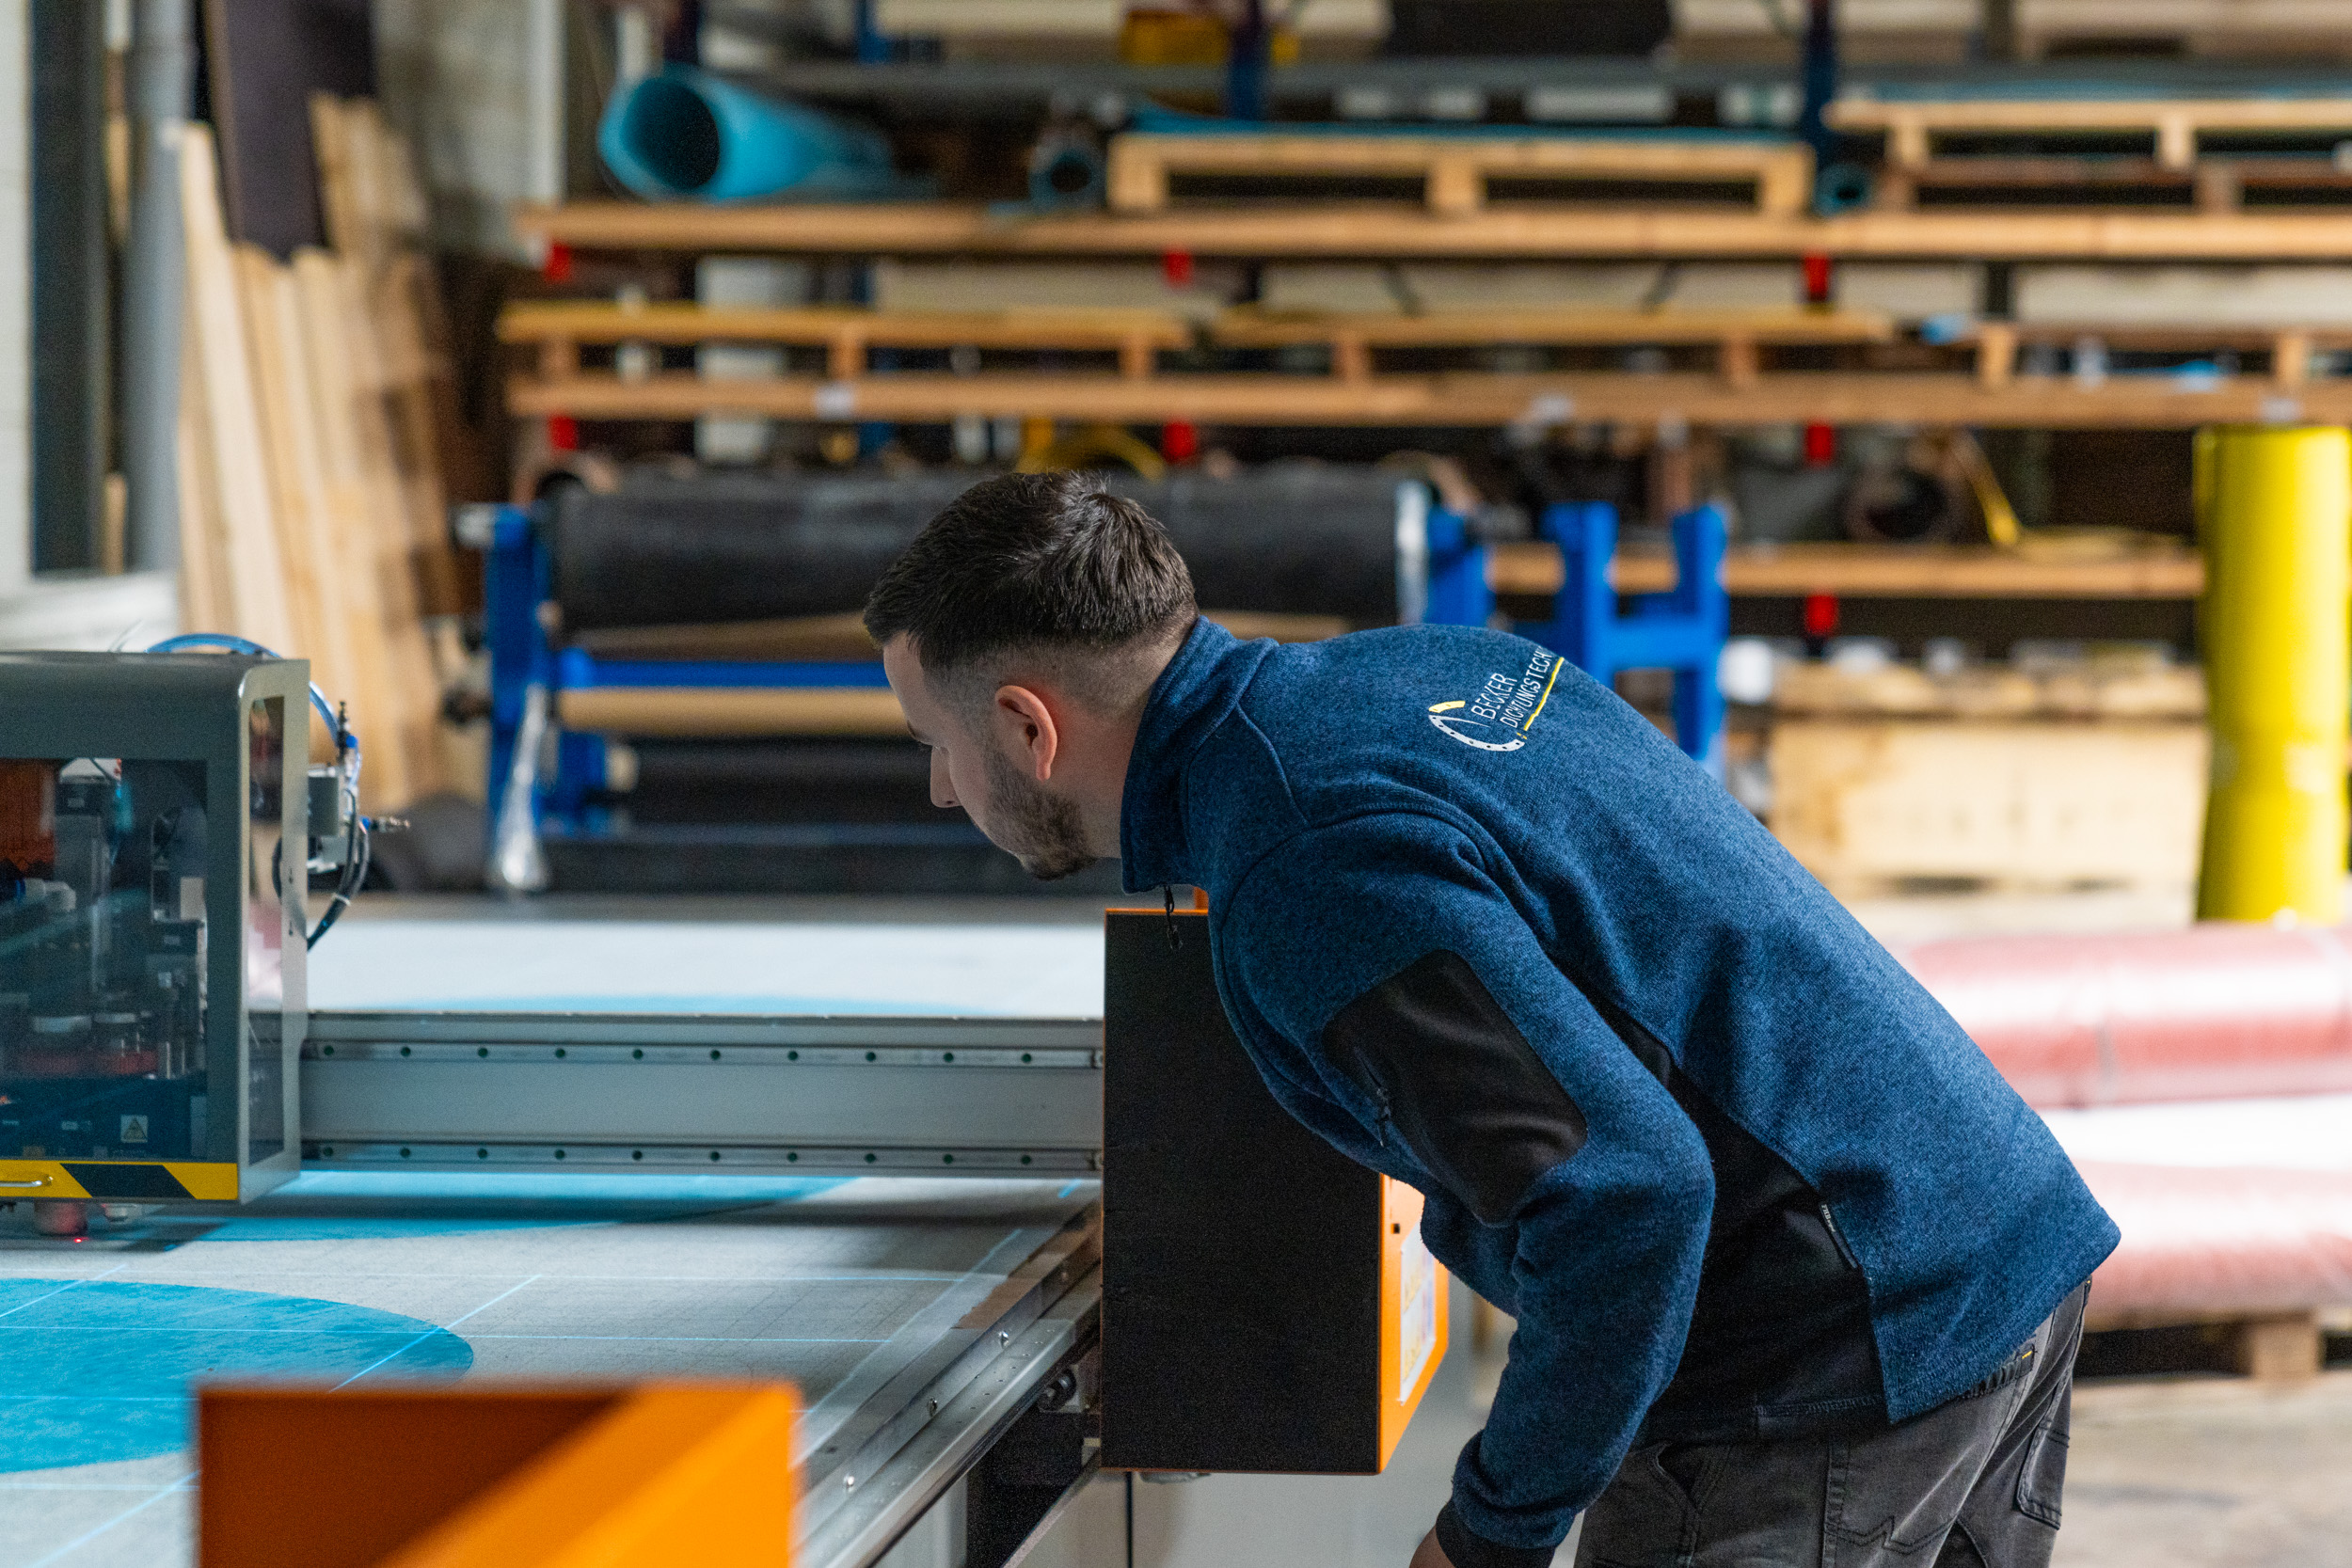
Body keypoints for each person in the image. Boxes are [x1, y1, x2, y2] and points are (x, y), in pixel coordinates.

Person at [864, 472, 2118, 1568]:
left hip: (1829, 1363)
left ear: (1028, 729)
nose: (933, 785)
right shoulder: (1408, 671)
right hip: (1986, 1237)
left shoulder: (1306, 867)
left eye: (936, 741)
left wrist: (1491, 1529)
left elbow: (1627, 1200)